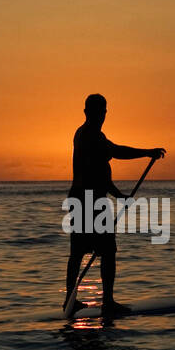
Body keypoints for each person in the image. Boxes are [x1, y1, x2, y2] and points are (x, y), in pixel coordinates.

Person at [65, 94, 165, 317]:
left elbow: (100, 173)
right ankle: (107, 302)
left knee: (79, 251)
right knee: (106, 251)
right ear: (88, 112)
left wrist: (119, 195)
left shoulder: (86, 134)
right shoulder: (90, 136)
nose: (103, 115)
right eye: (100, 111)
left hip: (82, 200)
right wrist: (147, 152)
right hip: (91, 203)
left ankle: (69, 301)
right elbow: (117, 152)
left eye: (104, 111)